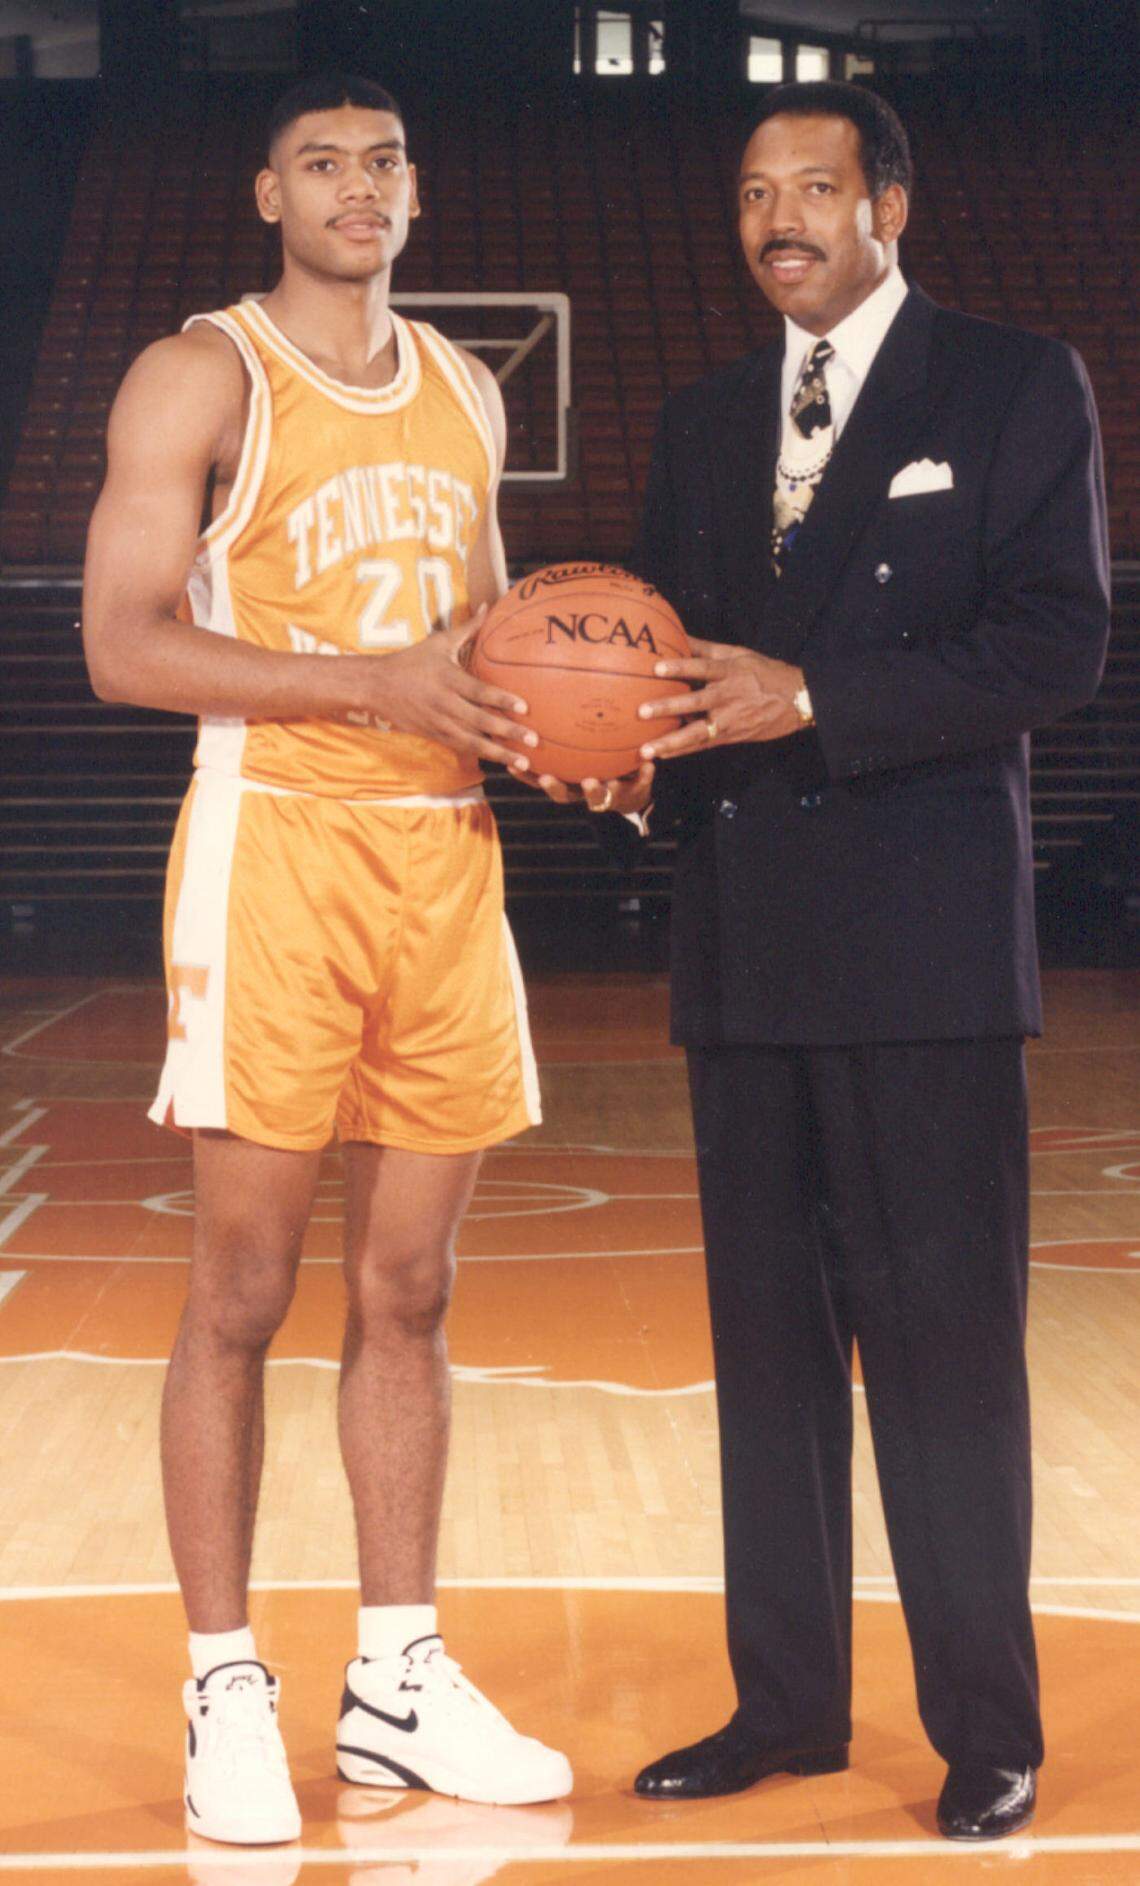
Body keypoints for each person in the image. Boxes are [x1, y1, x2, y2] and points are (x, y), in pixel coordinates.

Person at [534, 79, 1110, 1842]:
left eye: (815, 187)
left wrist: (823, 696)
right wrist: (620, 768)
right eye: (754, 192)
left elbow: (1059, 643)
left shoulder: (1015, 382)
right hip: (746, 951)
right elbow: (661, 685)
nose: (779, 216)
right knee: (768, 1355)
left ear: (892, 209)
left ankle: (986, 1726)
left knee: (944, 1356)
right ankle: (782, 1703)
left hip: (929, 965)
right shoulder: (707, 421)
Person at [82, 72, 571, 1848]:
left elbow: (489, 631)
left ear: (416, 195)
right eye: (325, 163)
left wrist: (562, 722)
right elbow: (123, 650)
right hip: (274, 847)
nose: (360, 186)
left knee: (412, 1293)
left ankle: (397, 1676)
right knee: (240, 1290)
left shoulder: (464, 387)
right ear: (267, 191)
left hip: (443, 863)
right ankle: (224, 1681)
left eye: (387, 163)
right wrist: (376, 686)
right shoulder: (201, 372)